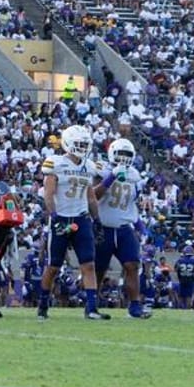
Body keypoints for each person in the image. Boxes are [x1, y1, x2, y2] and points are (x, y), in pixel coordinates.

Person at [36, 124, 111, 321]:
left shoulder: (88, 166)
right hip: (61, 217)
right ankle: (43, 305)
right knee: (53, 266)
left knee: (88, 264)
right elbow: (49, 194)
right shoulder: (56, 163)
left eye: (84, 143)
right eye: (79, 143)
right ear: (68, 142)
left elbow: (91, 197)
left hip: (81, 218)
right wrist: (54, 217)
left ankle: (91, 308)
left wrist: (97, 220)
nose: (82, 147)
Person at [93, 138, 151, 318]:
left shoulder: (134, 175)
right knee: (100, 269)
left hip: (125, 228)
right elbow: (93, 195)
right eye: (120, 154)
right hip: (104, 227)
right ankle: (92, 304)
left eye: (127, 155)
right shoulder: (102, 170)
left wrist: (140, 225)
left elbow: (131, 204)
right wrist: (111, 177)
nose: (123, 159)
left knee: (132, 265)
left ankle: (134, 307)